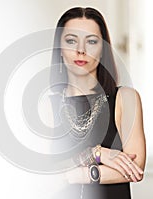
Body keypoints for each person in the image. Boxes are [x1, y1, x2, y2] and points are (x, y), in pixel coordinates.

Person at [49, 7, 146, 199]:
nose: (81, 50)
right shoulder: (45, 104)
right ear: (59, 49)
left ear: (103, 49)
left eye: (91, 41)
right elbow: (43, 173)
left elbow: (135, 168)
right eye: (71, 41)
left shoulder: (125, 98)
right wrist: (97, 154)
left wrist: (77, 174)